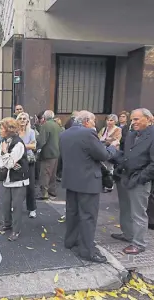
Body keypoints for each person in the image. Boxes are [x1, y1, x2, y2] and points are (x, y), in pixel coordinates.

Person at [60, 110, 114, 263]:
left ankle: (70, 241)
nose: (94, 124)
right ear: (85, 121)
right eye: (93, 121)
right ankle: (87, 250)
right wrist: (113, 147)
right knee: (88, 217)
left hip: (71, 180)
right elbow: (103, 155)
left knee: (73, 213)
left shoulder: (65, 134)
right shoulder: (88, 134)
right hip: (88, 181)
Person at [111, 109, 154, 255]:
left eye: (137, 119)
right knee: (125, 209)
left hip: (139, 180)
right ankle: (128, 234)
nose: (133, 122)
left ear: (149, 119)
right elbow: (126, 155)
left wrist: (140, 178)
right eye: (132, 120)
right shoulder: (130, 135)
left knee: (138, 213)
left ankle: (139, 243)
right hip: (125, 177)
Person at [0, 117, 29, 241]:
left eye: (1, 128)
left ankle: (16, 230)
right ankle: (7, 224)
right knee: (5, 204)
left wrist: (6, 155)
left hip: (18, 180)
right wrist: (7, 160)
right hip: (7, 179)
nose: (0, 130)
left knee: (16, 207)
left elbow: (9, 162)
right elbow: (0, 161)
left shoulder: (19, 144)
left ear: (8, 130)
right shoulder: (4, 141)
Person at [37, 110, 61, 200]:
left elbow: (42, 140)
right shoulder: (56, 125)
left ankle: (44, 193)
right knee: (52, 174)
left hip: (47, 153)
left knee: (45, 174)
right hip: (56, 153)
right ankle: (52, 191)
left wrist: (37, 149)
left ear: (45, 116)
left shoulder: (46, 125)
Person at [17, 112, 37, 218]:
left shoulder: (31, 132)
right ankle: (15, 206)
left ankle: (32, 209)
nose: (23, 120)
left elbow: (34, 146)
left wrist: (21, 146)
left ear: (28, 120)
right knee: (16, 186)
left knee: (30, 186)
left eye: (25, 118)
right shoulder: (15, 132)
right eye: (20, 118)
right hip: (16, 161)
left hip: (28, 161)